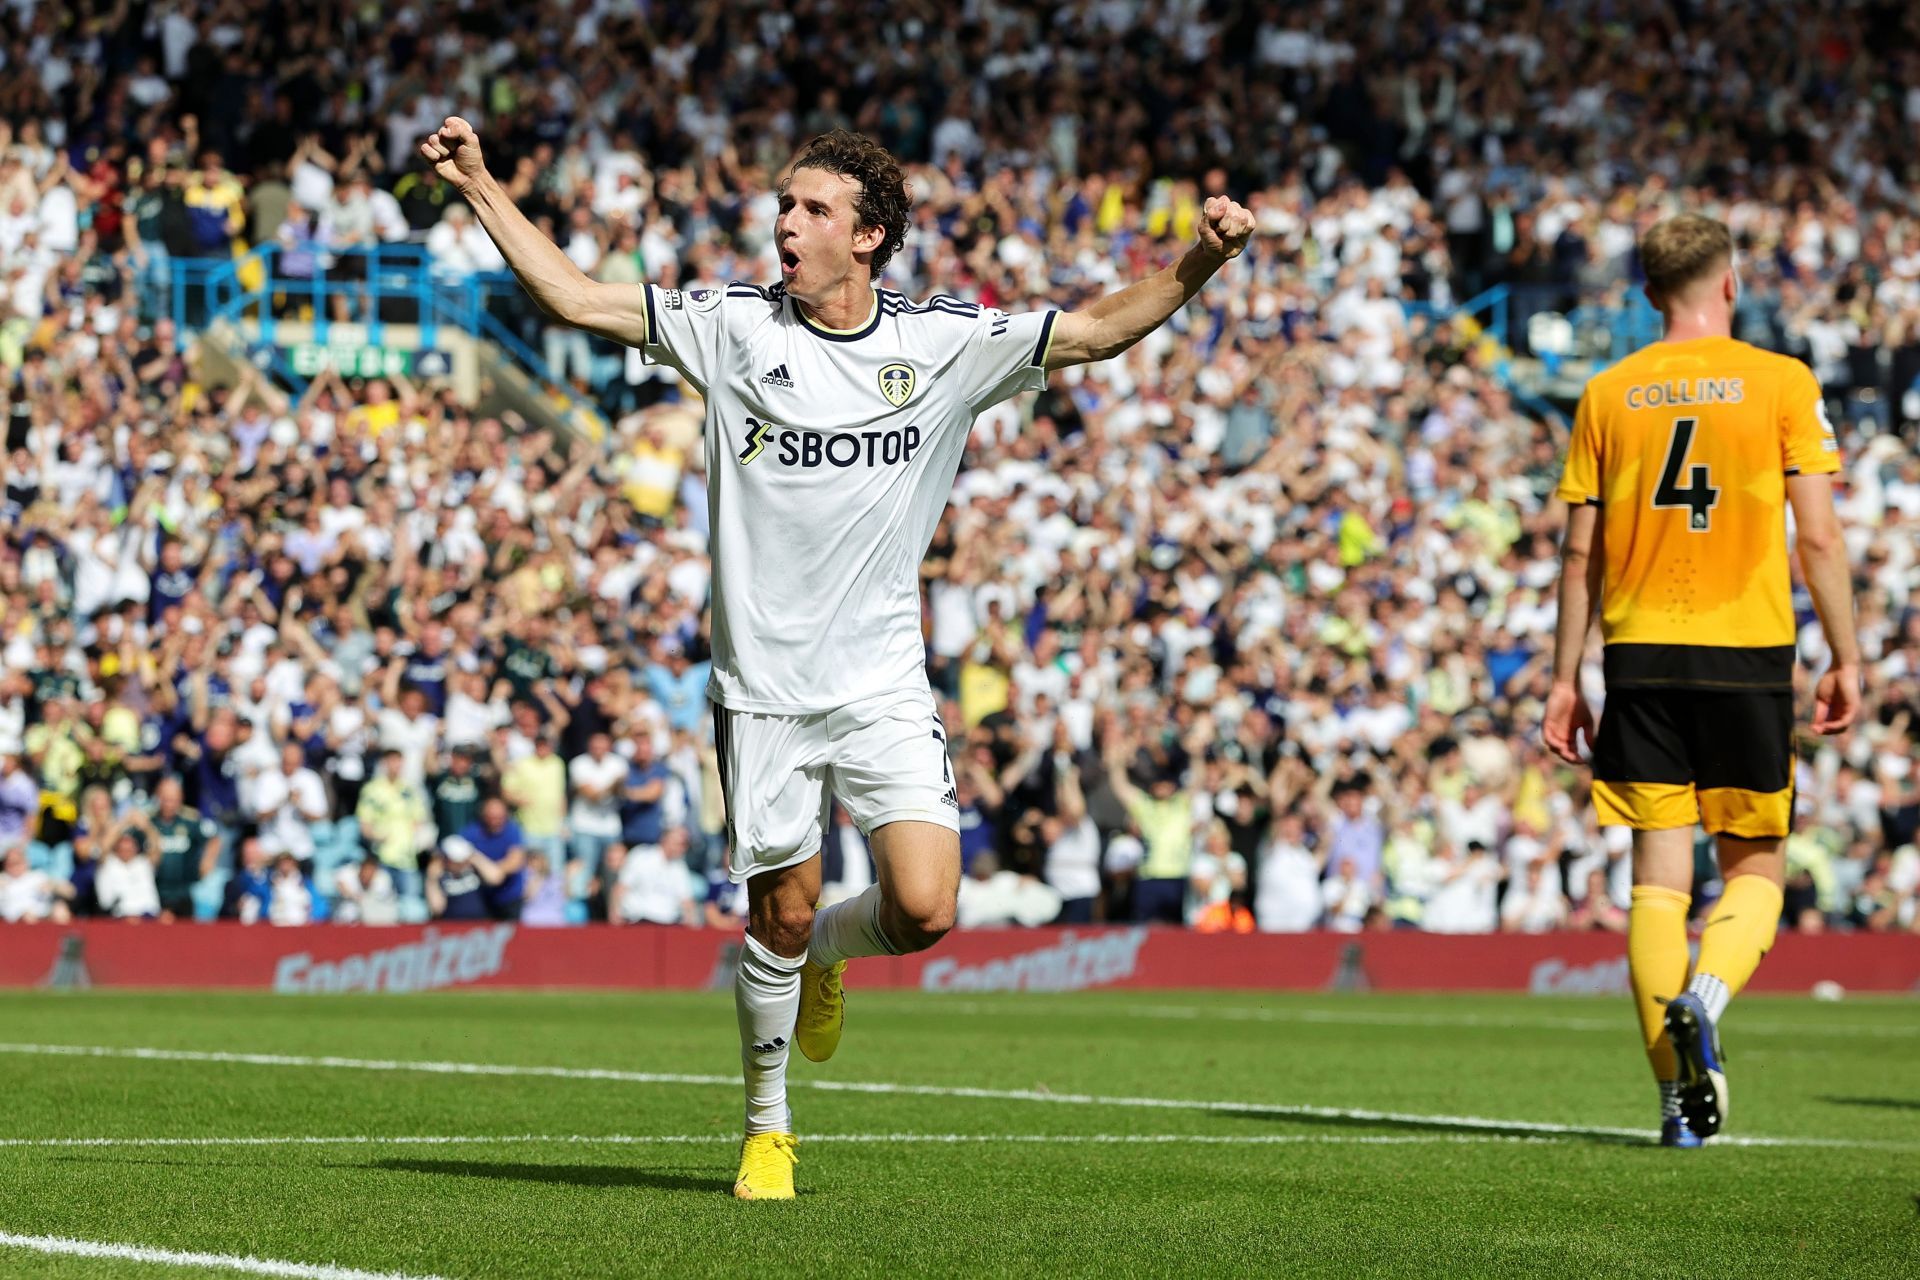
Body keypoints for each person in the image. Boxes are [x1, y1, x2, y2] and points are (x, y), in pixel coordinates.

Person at [419, 117, 1252, 1199]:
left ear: (870, 238)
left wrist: (1199, 260)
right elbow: (578, 297)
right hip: (761, 689)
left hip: (879, 681)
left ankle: (829, 960)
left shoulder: (943, 343)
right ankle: (767, 1127)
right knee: (780, 909)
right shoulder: (729, 326)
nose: (785, 223)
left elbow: (1094, 331)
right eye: (784, 204)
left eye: (812, 209)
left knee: (925, 908)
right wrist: (481, 186)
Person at [1544, 213, 1861, 1148]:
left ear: (1648, 296)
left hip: (1639, 652)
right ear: (1732, 283)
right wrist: (1847, 657)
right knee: (1756, 869)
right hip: (1747, 650)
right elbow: (1821, 538)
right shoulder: (1781, 383)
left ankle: (1678, 1104)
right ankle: (1709, 995)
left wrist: (1566, 679)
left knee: (1656, 885)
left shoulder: (1607, 392)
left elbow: (1576, 557)